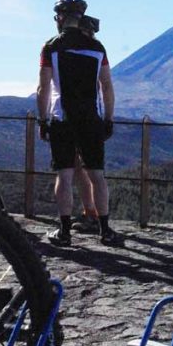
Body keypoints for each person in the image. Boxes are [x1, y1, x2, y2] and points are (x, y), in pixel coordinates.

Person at [36, 0, 122, 246]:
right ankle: (105, 230)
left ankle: (64, 232)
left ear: (60, 18)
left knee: (64, 175)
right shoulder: (97, 47)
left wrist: (42, 120)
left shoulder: (51, 47)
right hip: (91, 119)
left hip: (62, 119)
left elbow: (43, 87)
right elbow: (106, 85)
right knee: (97, 174)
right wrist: (108, 118)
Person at [71, 15, 102, 234]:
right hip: (91, 117)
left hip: (78, 116)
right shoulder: (97, 50)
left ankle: (93, 213)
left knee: (84, 168)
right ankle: (93, 213)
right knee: (86, 168)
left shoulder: (88, 50)